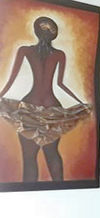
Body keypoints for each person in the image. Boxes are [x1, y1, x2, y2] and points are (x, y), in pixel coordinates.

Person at [0, 16, 91, 182]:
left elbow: (11, 80)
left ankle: (29, 194)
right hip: (52, 109)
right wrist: (80, 103)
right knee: (52, 154)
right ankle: (61, 190)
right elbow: (60, 84)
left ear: (36, 32)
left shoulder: (25, 50)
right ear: (54, 35)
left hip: (29, 108)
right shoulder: (59, 54)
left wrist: (0, 95)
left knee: (29, 158)